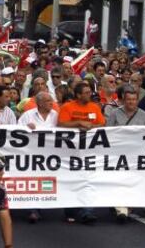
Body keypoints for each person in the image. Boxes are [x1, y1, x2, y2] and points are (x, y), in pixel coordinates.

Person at [58, 82, 105, 224]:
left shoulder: (94, 107)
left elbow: (102, 124)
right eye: (85, 92)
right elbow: (61, 124)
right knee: (72, 181)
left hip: (89, 150)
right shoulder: (68, 107)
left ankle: (87, 211)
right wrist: (79, 123)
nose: (89, 94)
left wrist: (91, 127)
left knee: (88, 180)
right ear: (78, 95)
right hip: (70, 151)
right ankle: (71, 210)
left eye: (89, 92)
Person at [107, 85, 145, 223]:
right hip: (118, 153)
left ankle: (128, 205)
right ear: (124, 101)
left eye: (134, 99)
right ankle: (121, 209)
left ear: (137, 100)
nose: (131, 102)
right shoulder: (115, 113)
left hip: (136, 154)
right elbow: (107, 132)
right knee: (119, 181)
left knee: (133, 181)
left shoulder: (144, 115)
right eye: (128, 99)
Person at [18, 92, 58, 223]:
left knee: (47, 181)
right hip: (31, 156)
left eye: (51, 101)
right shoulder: (28, 115)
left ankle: (44, 204)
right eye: (48, 101)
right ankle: (33, 210)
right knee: (33, 180)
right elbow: (14, 132)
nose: (51, 103)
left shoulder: (56, 116)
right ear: (40, 103)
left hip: (50, 156)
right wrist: (25, 128)